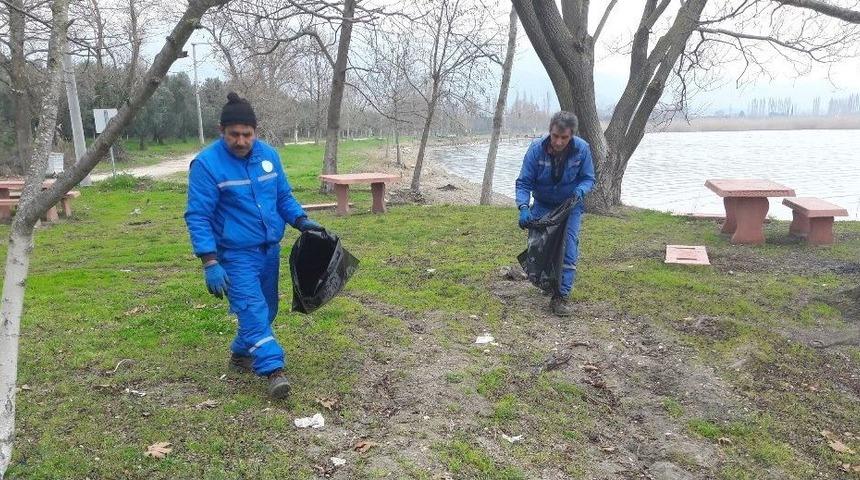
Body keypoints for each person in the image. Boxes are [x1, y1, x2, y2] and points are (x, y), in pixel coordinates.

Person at [185, 92, 323, 399]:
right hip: (234, 255)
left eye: (247, 134)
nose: (241, 141)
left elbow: (283, 196)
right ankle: (274, 369)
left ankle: (240, 354)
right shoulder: (206, 165)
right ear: (222, 131)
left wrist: (302, 221)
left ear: (255, 132)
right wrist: (209, 261)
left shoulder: (268, 156)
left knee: (267, 309)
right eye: (234, 134)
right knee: (252, 308)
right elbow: (198, 215)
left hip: (269, 251)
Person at [515, 111, 596, 317]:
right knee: (541, 247)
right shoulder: (535, 150)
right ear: (550, 132)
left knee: (568, 248)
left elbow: (588, 178)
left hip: (570, 206)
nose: (559, 142)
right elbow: (524, 182)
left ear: (572, 136)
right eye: (555, 136)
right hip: (542, 204)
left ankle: (561, 296)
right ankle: (547, 282)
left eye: (564, 137)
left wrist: (581, 190)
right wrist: (524, 207)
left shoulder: (582, 150)